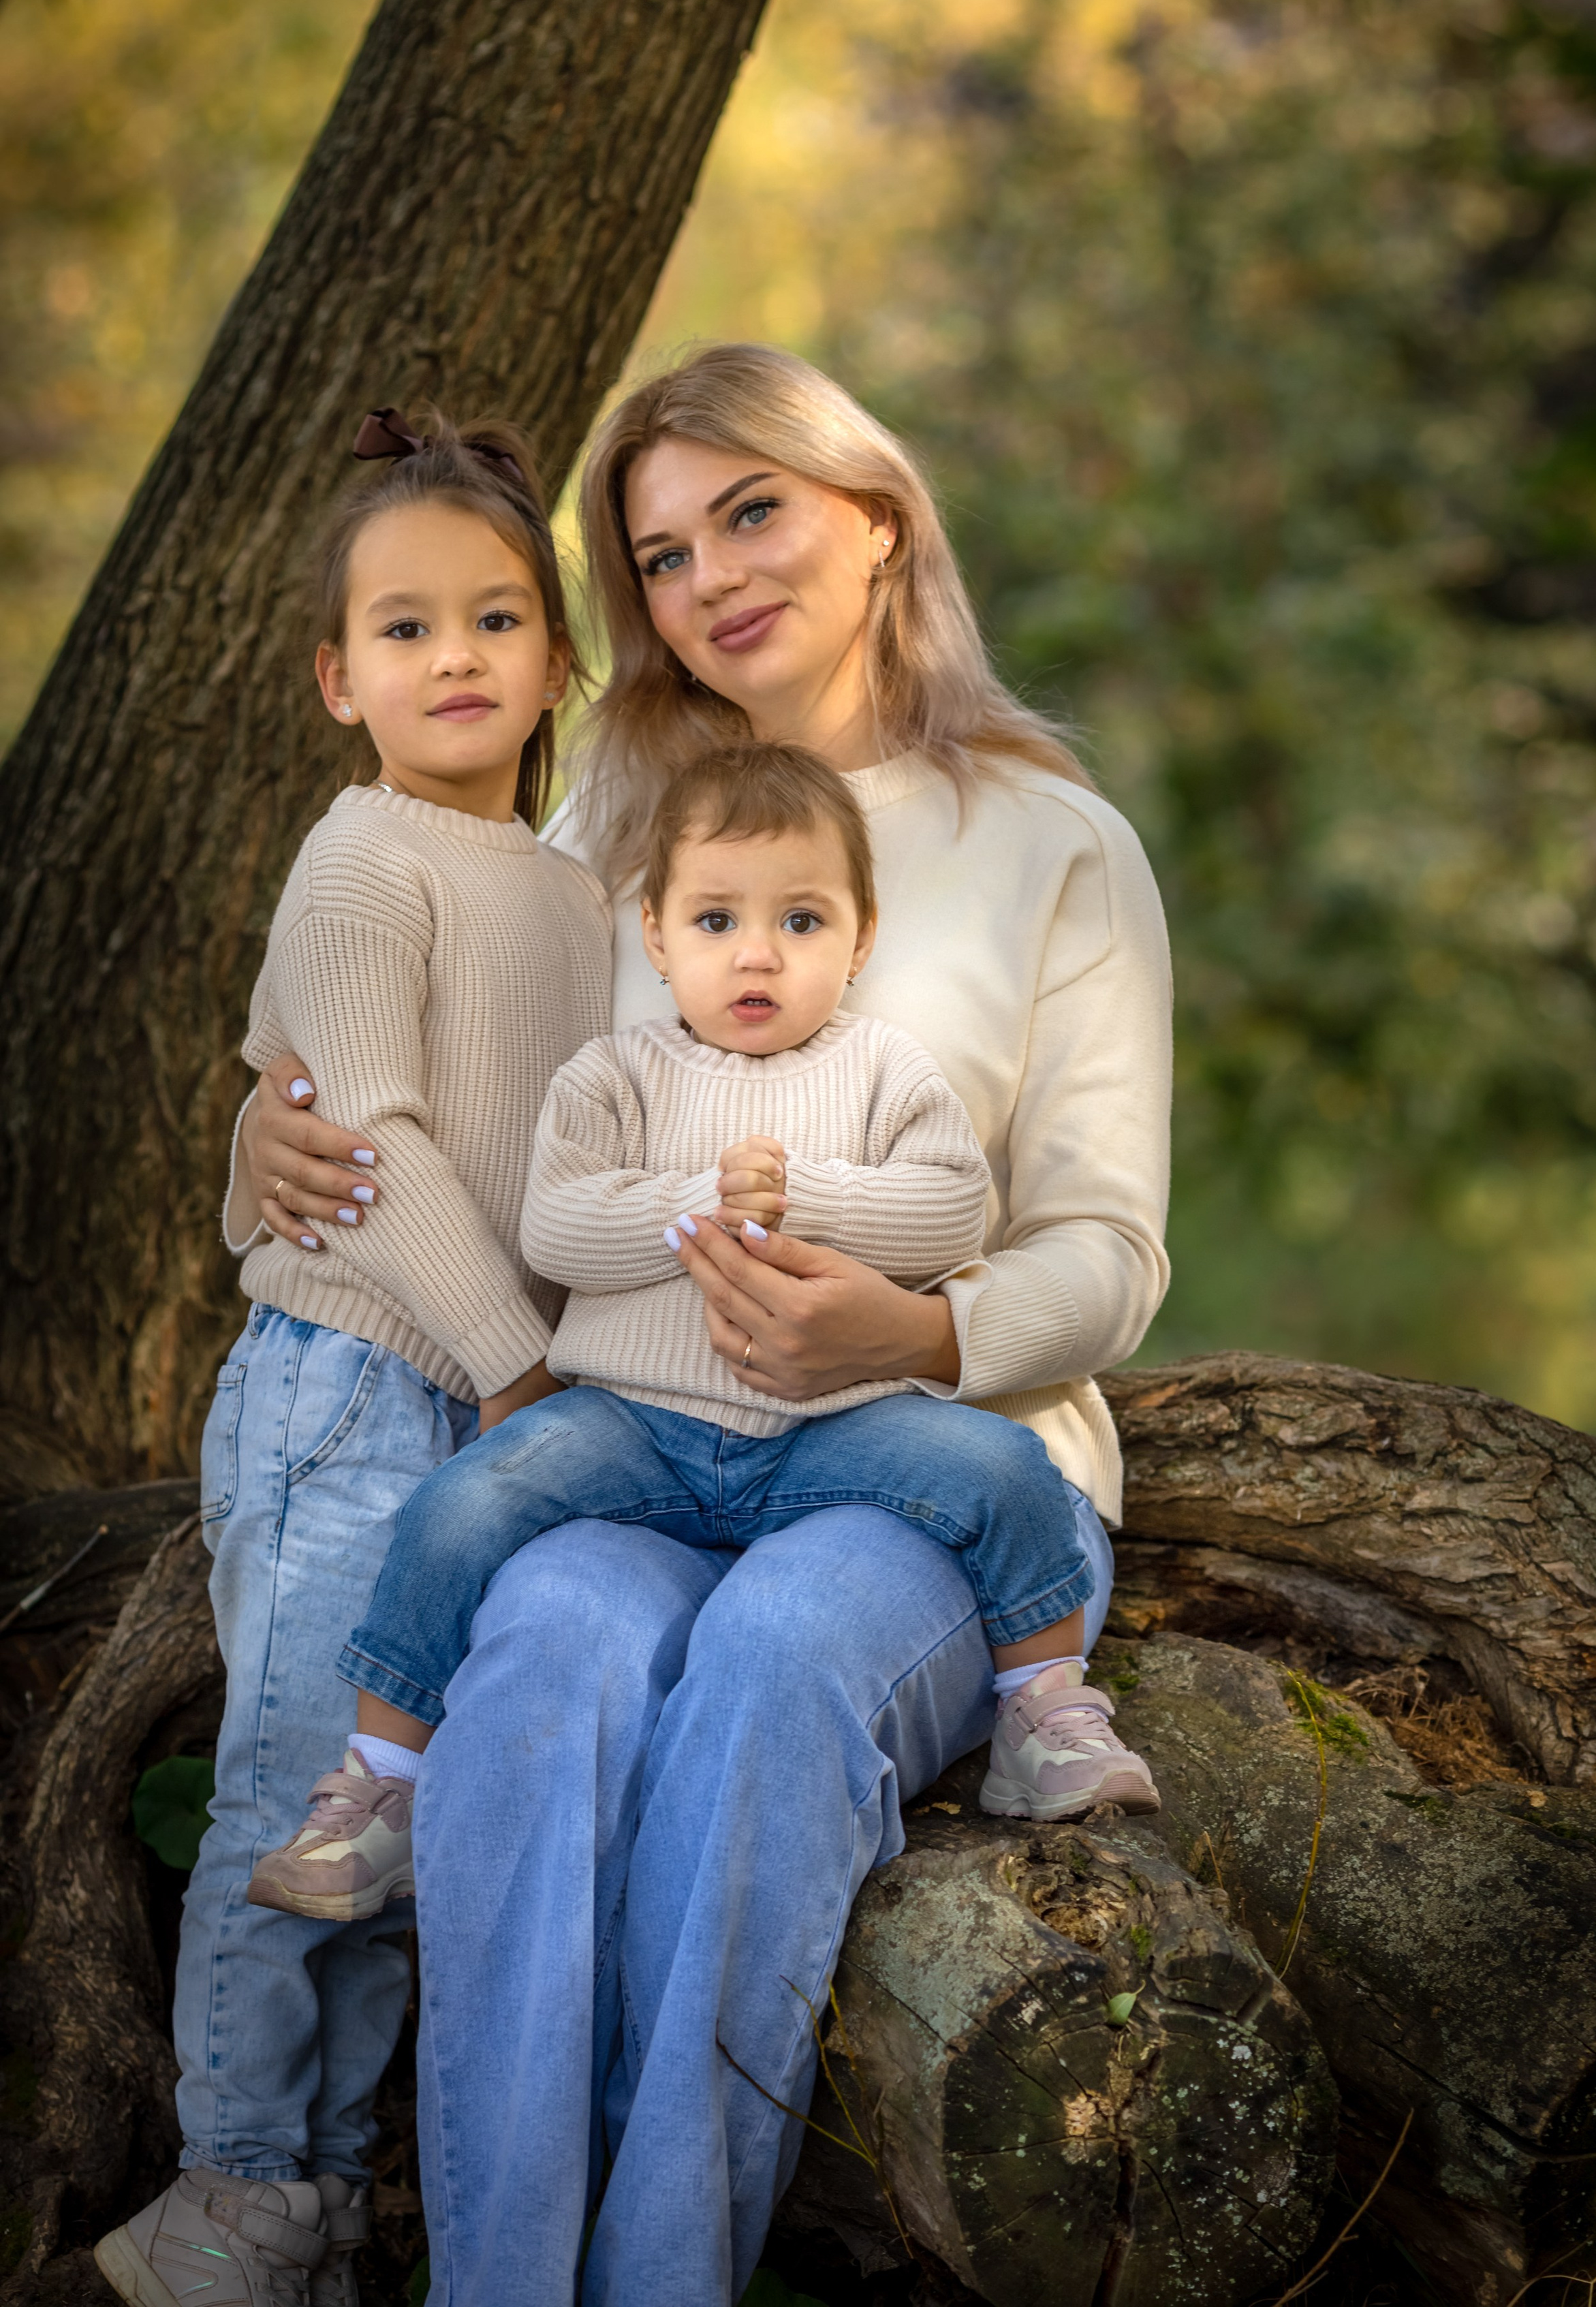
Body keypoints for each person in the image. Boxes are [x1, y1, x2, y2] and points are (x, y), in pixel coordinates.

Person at [238, 344, 1174, 2306]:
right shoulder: (605, 818)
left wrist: (911, 1336)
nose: (712, 578)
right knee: (543, 1660)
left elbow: (1109, 1250)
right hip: (644, 1437)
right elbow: (453, 1089)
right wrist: (273, 1119)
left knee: (766, 1665)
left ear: (877, 517)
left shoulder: (1051, 841)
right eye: (660, 556)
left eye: (752, 512)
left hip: (934, 1470)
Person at [247, 741, 1156, 1923]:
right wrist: (697, 1207)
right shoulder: (612, 1078)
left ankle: (1046, 1716)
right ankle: (382, 1788)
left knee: (1005, 1469)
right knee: (461, 1504)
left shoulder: (886, 1071)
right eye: (717, 920)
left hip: (830, 1433)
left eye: (802, 920)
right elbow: (560, 1227)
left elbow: (950, 1210)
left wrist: (807, 1198)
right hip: (633, 1426)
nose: (757, 953)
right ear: (658, 937)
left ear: (862, 939)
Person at [96, 411, 612, 2307]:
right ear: (337, 679)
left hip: (497, 1404)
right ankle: (235, 2177)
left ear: (558, 659)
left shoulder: (575, 889)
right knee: (300, 1787)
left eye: (496, 618)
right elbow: (362, 1135)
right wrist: (513, 1369)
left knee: (400, 1820)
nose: (454, 656)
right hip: (358, 1388)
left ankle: (319, 2204)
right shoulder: (360, 858)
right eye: (405, 629)